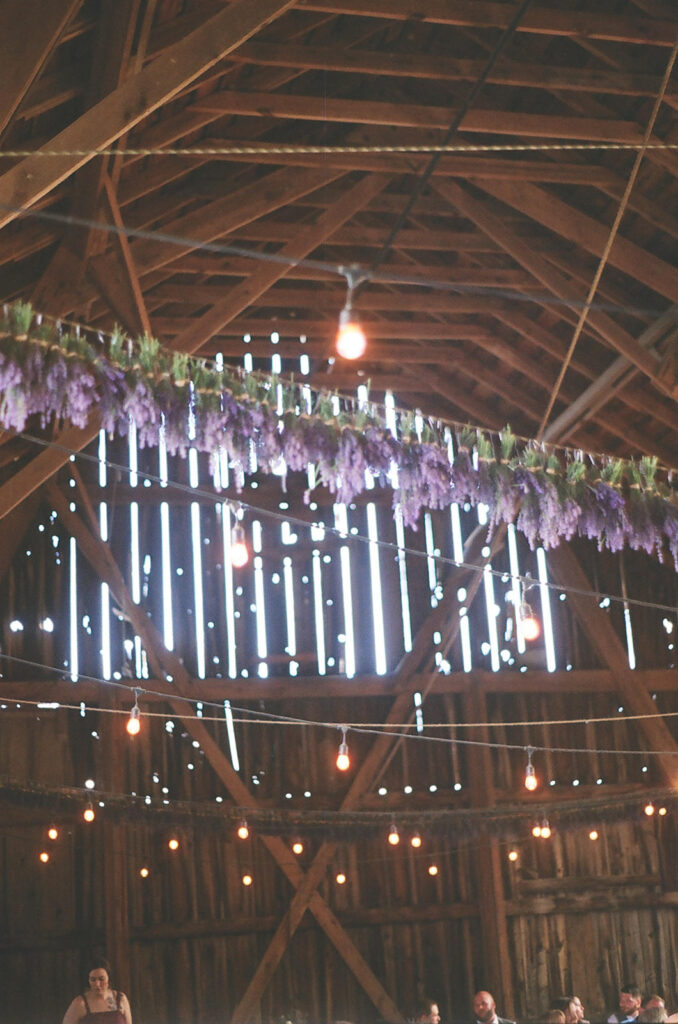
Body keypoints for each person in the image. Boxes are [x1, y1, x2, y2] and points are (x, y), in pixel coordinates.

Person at [62, 957, 132, 1024]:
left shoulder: (121, 999)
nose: (97, 984)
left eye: (101, 979)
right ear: (88, 981)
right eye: (93, 980)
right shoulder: (80, 1003)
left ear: (108, 978)